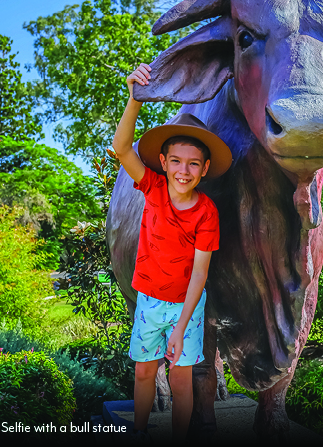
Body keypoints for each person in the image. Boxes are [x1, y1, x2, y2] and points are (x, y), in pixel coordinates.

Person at [112, 63, 232, 443]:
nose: (184, 170)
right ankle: (142, 430)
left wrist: (180, 327)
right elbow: (120, 148)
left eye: (193, 163)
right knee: (144, 373)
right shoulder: (152, 188)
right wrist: (134, 100)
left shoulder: (206, 213)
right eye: (176, 161)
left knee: (182, 379)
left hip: (187, 308)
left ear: (204, 169)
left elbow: (200, 274)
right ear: (163, 163)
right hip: (149, 300)